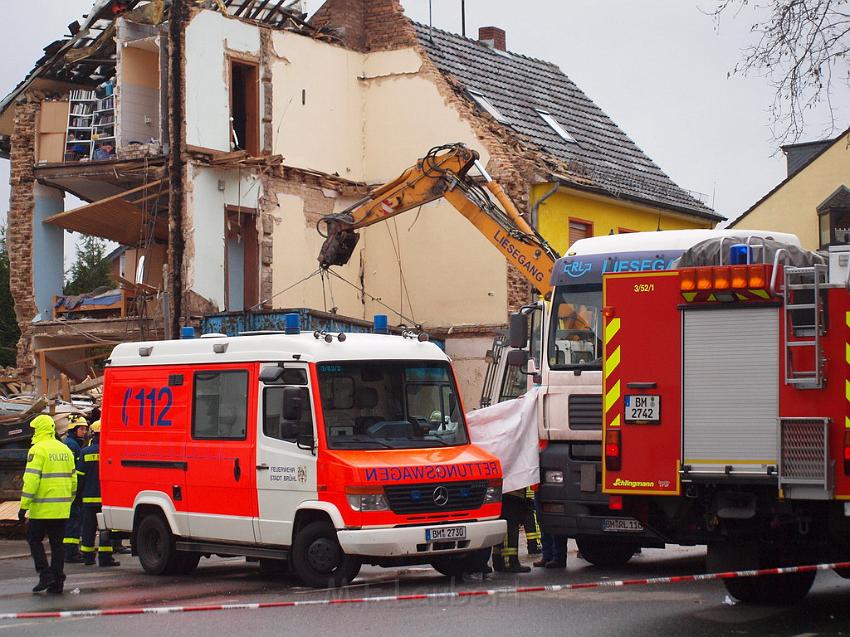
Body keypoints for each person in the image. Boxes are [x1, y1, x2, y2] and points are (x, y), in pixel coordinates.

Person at [18, 414, 77, 593]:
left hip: (42, 508)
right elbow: (73, 480)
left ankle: (45, 575)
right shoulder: (65, 449)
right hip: (61, 508)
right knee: (58, 544)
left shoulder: (37, 450)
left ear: (39, 430)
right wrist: (69, 500)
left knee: (34, 540)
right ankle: (58, 581)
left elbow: (31, 481)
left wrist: (23, 507)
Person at [76, 421, 119, 567]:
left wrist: (78, 495)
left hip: (88, 499)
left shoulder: (85, 452)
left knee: (88, 528)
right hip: (107, 499)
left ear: (93, 434)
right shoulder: (112, 451)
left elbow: (80, 476)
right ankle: (105, 558)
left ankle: (88, 557)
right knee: (106, 529)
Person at [62, 415, 88, 563]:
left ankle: (70, 551)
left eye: (85, 429)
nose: (84, 432)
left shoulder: (72, 443)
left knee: (73, 520)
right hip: (73, 490)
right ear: (73, 429)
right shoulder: (72, 446)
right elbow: (75, 471)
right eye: (82, 429)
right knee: (73, 520)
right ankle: (71, 553)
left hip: (70, 489)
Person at [491, 489, 531, 573]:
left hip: (506, 492)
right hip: (511, 492)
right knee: (510, 526)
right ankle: (510, 562)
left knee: (503, 525)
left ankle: (498, 561)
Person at [523, 486, 542, 555]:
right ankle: (535, 546)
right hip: (531, 495)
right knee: (533, 521)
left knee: (529, 522)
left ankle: (532, 546)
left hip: (523, 495)